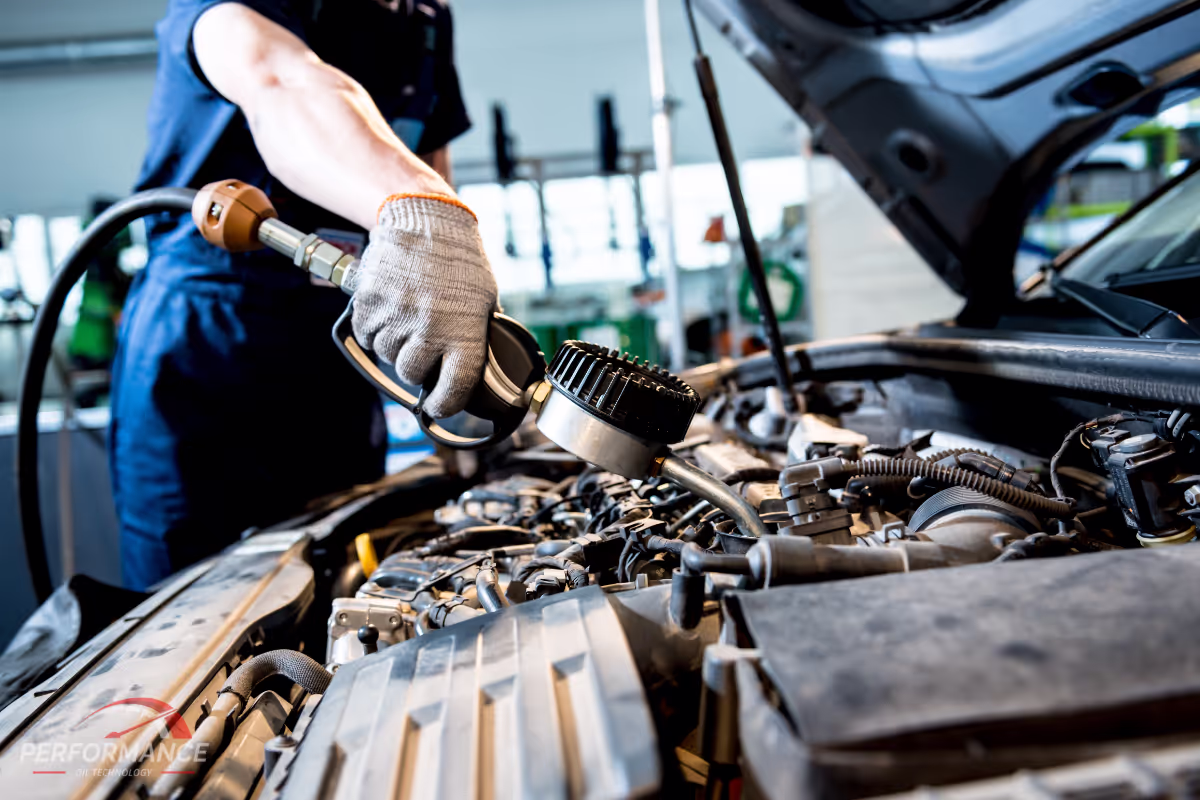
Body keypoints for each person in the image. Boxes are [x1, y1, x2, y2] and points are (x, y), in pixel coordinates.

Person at [112, 0, 497, 590]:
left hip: (335, 341)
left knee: (341, 577)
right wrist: (423, 212)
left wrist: (458, 283)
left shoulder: (427, 19)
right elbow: (280, 79)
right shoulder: (236, 11)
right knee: (186, 607)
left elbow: (430, 165)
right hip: (206, 341)